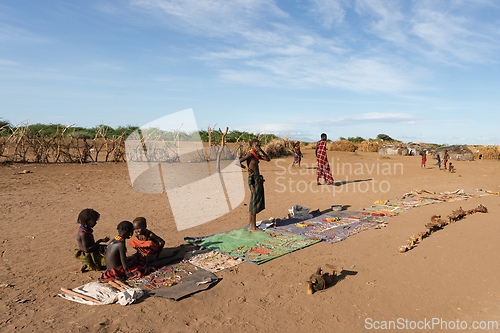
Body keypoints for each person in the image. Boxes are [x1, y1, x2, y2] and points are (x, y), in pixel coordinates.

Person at [239, 138, 270, 231]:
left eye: (259, 145)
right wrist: (246, 169)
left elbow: (268, 159)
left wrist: (261, 151)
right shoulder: (250, 155)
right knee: (254, 202)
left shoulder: (256, 155)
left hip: (257, 179)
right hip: (254, 180)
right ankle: (252, 226)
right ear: (251, 146)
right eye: (256, 146)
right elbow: (237, 161)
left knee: (255, 201)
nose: (258, 147)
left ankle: (251, 225)